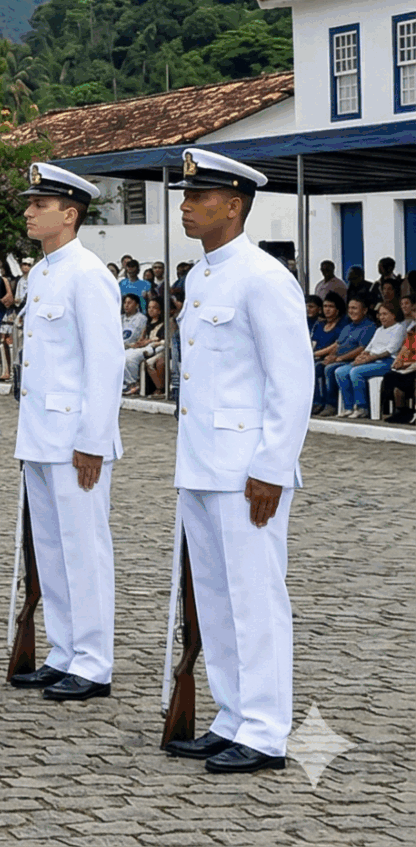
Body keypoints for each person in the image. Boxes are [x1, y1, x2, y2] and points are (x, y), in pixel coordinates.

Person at [167, 149, 312, 773]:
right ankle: (231, 717)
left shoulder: (263, 277)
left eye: (199, 198)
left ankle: (266, 731)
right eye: (185, 196)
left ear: (235, 204)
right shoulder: (200, 277)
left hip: (246, 468)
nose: (185, 206)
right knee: (217, 598)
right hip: (202, 462)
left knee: (256, 598)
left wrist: (273, 467)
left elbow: (292, 381)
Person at [10, 162, 124, 703]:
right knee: (51, 549)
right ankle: (64, 651)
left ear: (70, 213)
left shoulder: (87, 273)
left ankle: (95, 661)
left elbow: (104, 364)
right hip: (41, 434)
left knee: (84, 549)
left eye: (40, 205)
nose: (29, 211)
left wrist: (93, 440)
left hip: (75, 437)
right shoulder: (43, 272)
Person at [327, 296, 403, 418]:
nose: (382, 317)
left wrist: (368, 359)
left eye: (385, 314)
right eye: (380, 314)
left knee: (356, 372)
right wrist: (361, 357)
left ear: (393, 315)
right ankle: (348, 407)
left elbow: (390, 350)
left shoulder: (399, 329)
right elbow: (368, 348)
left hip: (387, 362)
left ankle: (362, 407)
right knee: (340, 371)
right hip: (371, 361)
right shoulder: (379, 330)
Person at [311, 295, 372, 413]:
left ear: (364, 310)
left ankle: (331, 404)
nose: (351, 311)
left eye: (355, 308)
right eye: (350, 308)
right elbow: (338, 345)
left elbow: (361, 349)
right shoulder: (348, 327)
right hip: (339, 358)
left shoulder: (368, 327)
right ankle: (317, 402)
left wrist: (338, 359)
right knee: (318, 366)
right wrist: (331, 356)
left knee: (329, 369)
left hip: (351, 360)